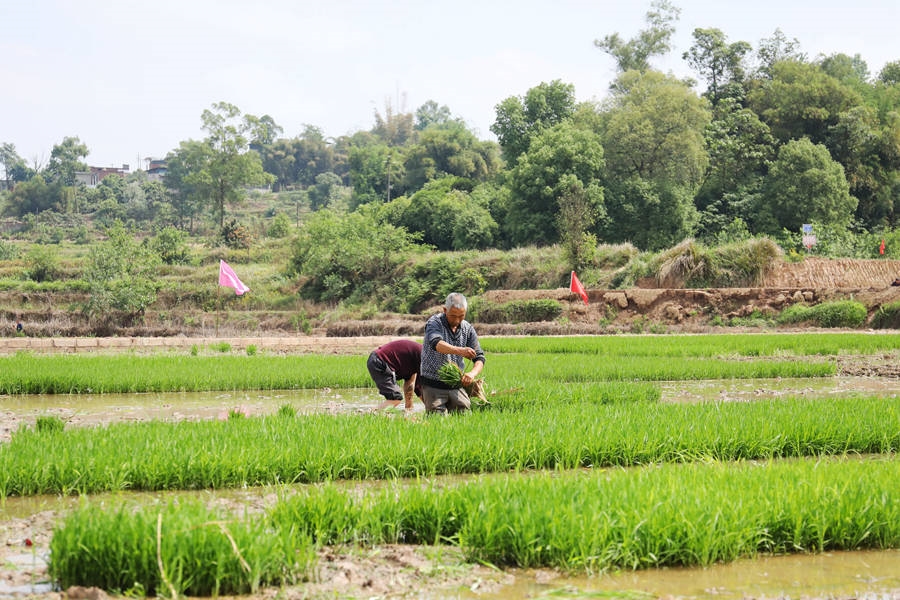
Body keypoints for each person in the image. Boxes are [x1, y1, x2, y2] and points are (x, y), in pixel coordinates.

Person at [419, 292, 485, 413]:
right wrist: (460, 351)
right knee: (437, 420)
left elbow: (479, 357)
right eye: (453, 316)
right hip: (433, 384)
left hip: (456, 384)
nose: (457, 320)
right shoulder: (434, 323)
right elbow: (437, 344)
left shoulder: (467, 328)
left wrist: (472, 374)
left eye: (461, 316)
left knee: (464, 414)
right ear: (445, 310)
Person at [366, 339, 422, 411]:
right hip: (380, 361)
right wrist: (431, 408)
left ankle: (408, 410)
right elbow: (421, 388)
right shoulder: (423, 357)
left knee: (396, 398)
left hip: (378, 360)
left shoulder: (415, 358)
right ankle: (369, 414)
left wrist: (409, 408)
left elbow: (411, 384)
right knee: (395, 399)